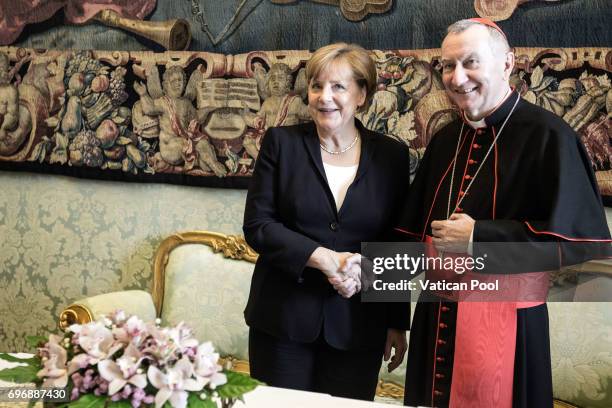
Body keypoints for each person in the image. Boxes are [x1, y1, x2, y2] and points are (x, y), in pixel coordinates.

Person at [396, 18, 611, 408]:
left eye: (471, 62)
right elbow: (407, 238)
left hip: (508, 328)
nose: (457, 77)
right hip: (434, 322)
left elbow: (579, 242)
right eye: (447, 65)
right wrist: (392, 319)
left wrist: (480, 238)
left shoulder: (550, 136)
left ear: (507, 63)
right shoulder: (445, 140)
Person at [243, 42, 411, 400]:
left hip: (358, 326)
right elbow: (259, 225)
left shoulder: (392, 156)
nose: (324, 97)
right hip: (283, 322)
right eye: (317, 86)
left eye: (338, 87)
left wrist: (397, 320)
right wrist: (325, 259)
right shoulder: (281, 144)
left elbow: (396, 240)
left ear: (362, 94)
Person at [133, 66, 227, 176]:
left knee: (203, 142)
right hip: (169, 148)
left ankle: (208, 163)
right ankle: (208, 162)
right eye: (174, 81)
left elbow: (197, 117)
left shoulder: (185, 103)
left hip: (185, 142)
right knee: (187, 143)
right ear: (166, 85)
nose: (178, 84)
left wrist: (210, 108)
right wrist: (143, 94)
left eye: (180, 80)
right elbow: (149, 109)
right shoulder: (162, 102)